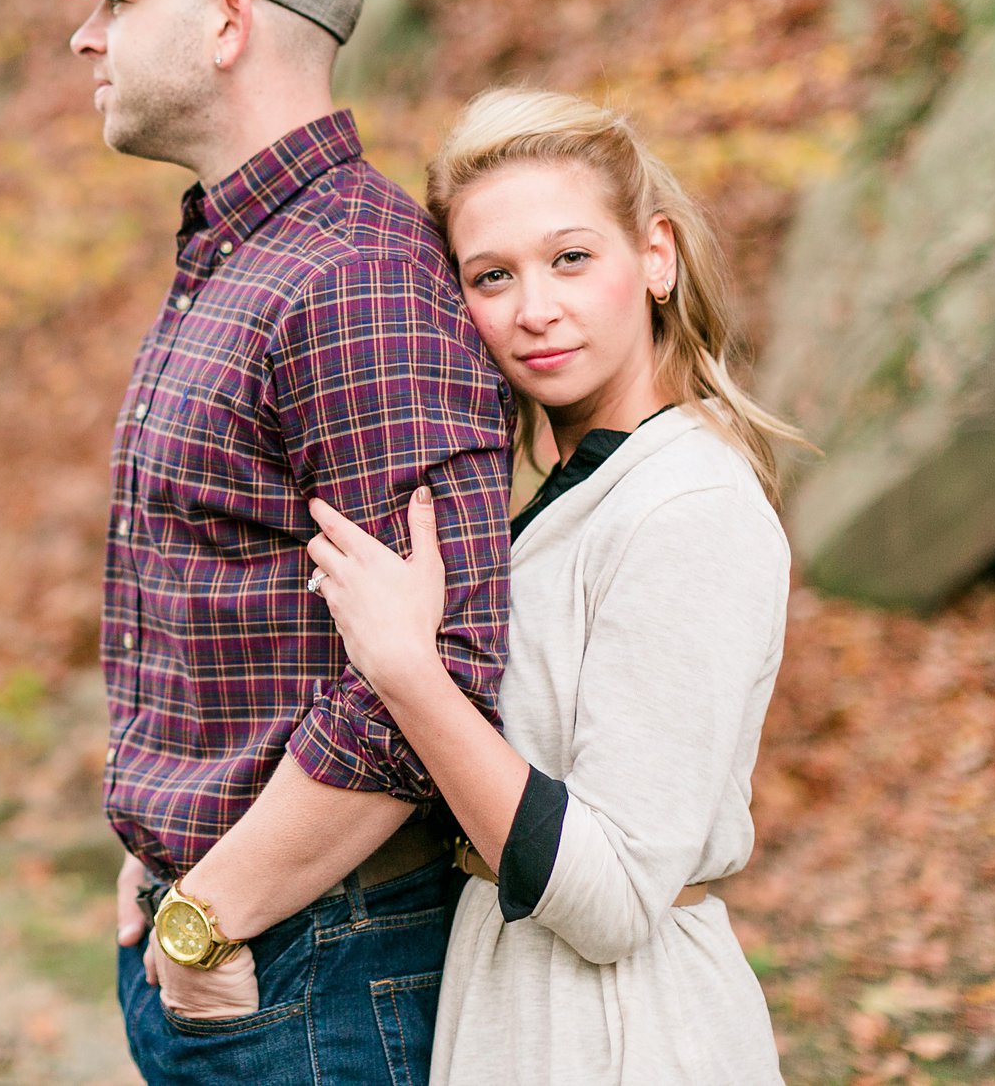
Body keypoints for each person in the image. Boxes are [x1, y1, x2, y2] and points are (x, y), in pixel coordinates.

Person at [17, 0, 512, 1085]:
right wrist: (163, 849)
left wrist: (210, 910)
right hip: (242, 949)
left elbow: (430, 679)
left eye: (118, 1)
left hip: (315, 971)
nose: (86, 39)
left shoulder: (353, 277)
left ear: (226, 18)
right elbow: (225, 604)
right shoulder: (249, 257)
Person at [306, 88, 798, 1084]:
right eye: (491, 276)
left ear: (652, 256)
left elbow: (613, 897)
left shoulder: (682, 505)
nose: (534, 309)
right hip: (518, 1004)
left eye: (570, 258)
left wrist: (406, 671)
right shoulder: (578, 493)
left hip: (619, 1034)